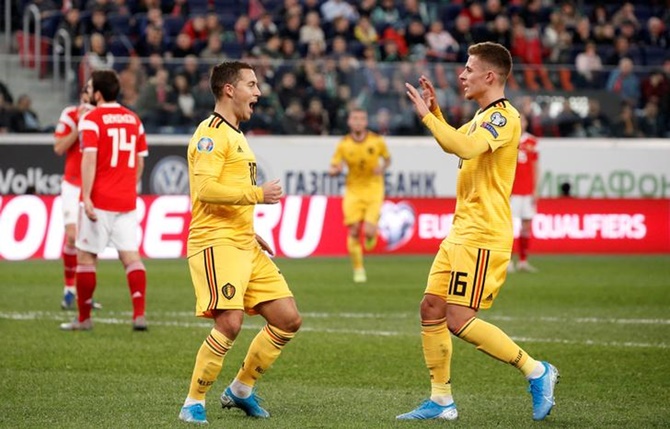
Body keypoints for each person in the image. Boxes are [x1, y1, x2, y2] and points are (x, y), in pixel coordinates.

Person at [399, 42, 558, 422]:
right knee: (431, 308)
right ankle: (441, 401)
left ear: (490, 76)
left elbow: (467, 148)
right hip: (460, 232)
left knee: (458, 318)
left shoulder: (505, 118)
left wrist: (426, 117)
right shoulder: (481, 117)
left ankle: (536, 370)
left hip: (483, 235)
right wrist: (436, 112)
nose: (461, 75)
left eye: (468, 69)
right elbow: (455, 142)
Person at [178, 61, 302, 425]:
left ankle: (241, 389)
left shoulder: (236, 134)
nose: (258, 92)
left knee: (287, 319)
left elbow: (226, 193)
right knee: (230, 322)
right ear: (229, 89)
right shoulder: (211, 133)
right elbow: (205, 190)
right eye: (251, 84)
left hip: (243, 242)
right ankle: (192, 402)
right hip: (216, 243)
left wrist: (250, 229)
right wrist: (256, 194)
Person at [59, 69, 149, 332]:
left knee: (86, 257)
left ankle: (84, 319)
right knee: (131, 257)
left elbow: (89, 158)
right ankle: (139, 315)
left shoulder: (92, 119)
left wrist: (85, 196)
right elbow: (141, 161)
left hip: (99, 200)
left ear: (97, 94)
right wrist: (129, 186)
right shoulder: (134, 119)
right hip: (126, 199)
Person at [328, 108, 391, 283]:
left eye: (361, 119)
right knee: (354, 230)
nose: (358, 122)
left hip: (373, 189)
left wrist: (382, 168)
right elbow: (333, 167)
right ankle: (358, 269)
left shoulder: (377, 141)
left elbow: (387, 159)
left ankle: (371, 235)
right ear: (349, 122)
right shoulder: (343, 144)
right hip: (353, 190)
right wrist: (335, 170)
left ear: (366, 122)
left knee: (368, 231)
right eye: (354, 119)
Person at [53, 87, 96, 309]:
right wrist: (79, 124)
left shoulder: (102, 116)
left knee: (88, 242)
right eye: (87, 90)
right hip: (72, 183)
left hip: (94, 184)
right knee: (72, 236)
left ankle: (84, 293)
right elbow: (59, 147)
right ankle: (69, 288)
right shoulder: (70, 114)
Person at [509, 114, 539, 273]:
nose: (522, 123)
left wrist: (535, 189)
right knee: (509, 228)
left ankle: (522, 261)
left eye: (524, 120)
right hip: (512, 191)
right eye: (519, 120)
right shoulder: (508, 139)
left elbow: (535, 166)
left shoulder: (532, 141)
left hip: (527, 191)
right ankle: (507, 261)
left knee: (526, 226)